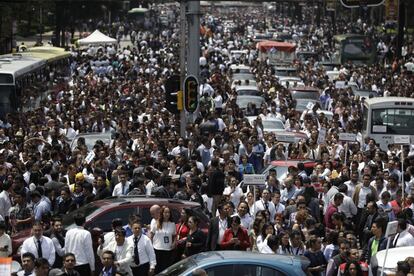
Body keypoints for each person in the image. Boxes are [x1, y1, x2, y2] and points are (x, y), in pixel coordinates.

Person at [149, 206, 176, 274]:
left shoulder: (172, 224)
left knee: (166, 270)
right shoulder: (156, 222)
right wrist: (150, 247)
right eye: (165, 212)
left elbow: (174, 236)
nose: (167, 214)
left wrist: (174, 243)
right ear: (162, 213)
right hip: (157, 249)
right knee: (157, 269)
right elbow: (151, 236)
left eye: (168, 212)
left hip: (168, 250)